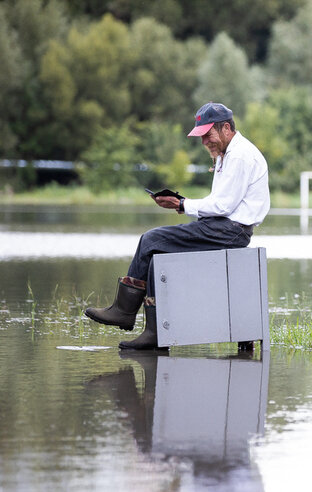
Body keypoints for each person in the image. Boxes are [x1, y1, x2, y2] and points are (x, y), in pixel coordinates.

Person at [85, 102, 270, 349]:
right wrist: (181, 204)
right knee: (155, 252)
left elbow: (223, 206)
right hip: (224, 228)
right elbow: (221, 204)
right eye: (202, 137)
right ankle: (153, 333)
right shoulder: (229, 153)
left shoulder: (240, 155)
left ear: (226, 128)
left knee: (151, 240)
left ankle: (124, 312)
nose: (204, 142)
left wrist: (181, 204)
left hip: (229, 231)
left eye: (208, 135)